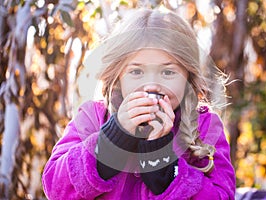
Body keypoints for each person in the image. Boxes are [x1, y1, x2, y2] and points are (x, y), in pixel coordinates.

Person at [42, 8, 236, 200]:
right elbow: (55, 187)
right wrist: (113, 139)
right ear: (118, 77)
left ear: (188, 77)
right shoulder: (93, 116)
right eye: (136, 72)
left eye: (168, 72)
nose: (151, 85)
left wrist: (163, 166)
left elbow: (222, 195)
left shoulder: (204, 125)